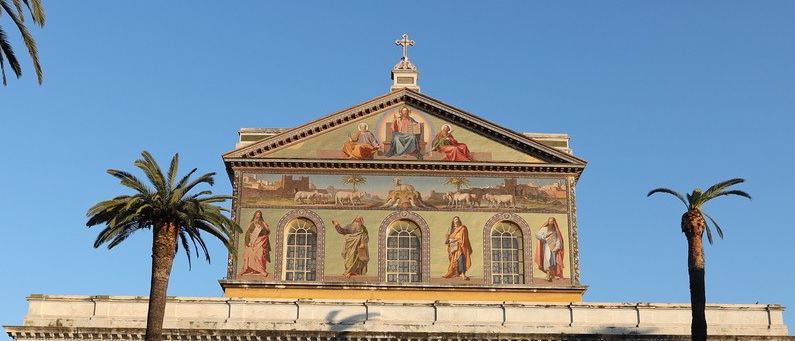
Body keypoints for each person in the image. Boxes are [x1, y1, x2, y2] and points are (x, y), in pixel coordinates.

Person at [240, 210, 271, 277]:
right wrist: (248, 243)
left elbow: (267, 232)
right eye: (257, 214)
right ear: (254, 215)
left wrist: (265, 229)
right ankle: (250, 270)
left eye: (259, 214)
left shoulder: (263, 224)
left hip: (261, 242)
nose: (258, 216)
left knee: (260, 255)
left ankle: (261, 270)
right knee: (249, 253)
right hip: (252, 242)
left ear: (260, 216)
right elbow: (247, 234)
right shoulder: (252, 224)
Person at [535, 217, 565, 281]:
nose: (550, 222)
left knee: (553, 261)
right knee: (547, 259)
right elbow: (537, 235)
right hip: (546, 246)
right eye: (549, 221)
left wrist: (556, 247)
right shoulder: (544, 229)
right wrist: (544, 238)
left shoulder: (556, 230)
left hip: (553, 248)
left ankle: (552, 274)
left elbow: (558, 240)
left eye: (552, 221)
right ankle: (548, 274)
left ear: (554, 222)